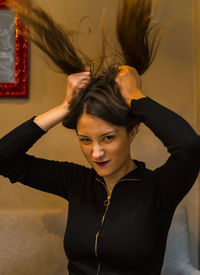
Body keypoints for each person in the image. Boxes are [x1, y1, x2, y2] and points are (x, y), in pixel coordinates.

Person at [1, 0, 200, 274]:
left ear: (133, 130)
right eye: (85, 140)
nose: (96, 153)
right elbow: (4, 158)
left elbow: (189, 147)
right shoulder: (76, 183)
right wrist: (64, 109)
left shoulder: (158, 190)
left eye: (107, 138)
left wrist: (137, 99)